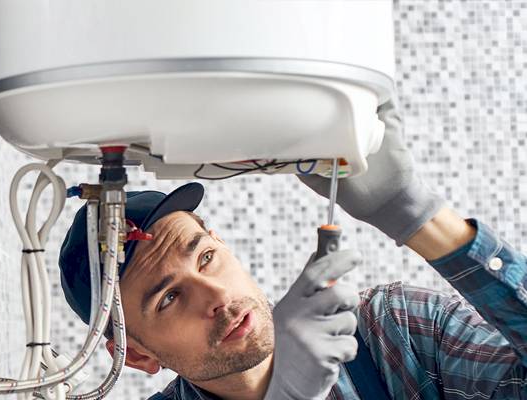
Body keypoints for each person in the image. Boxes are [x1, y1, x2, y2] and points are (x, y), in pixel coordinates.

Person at [58, 102, 527, 399]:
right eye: (168, 298)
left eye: (204, 257)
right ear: (137, 355)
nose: (215, 296)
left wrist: (418, 217)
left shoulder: (397, 332)